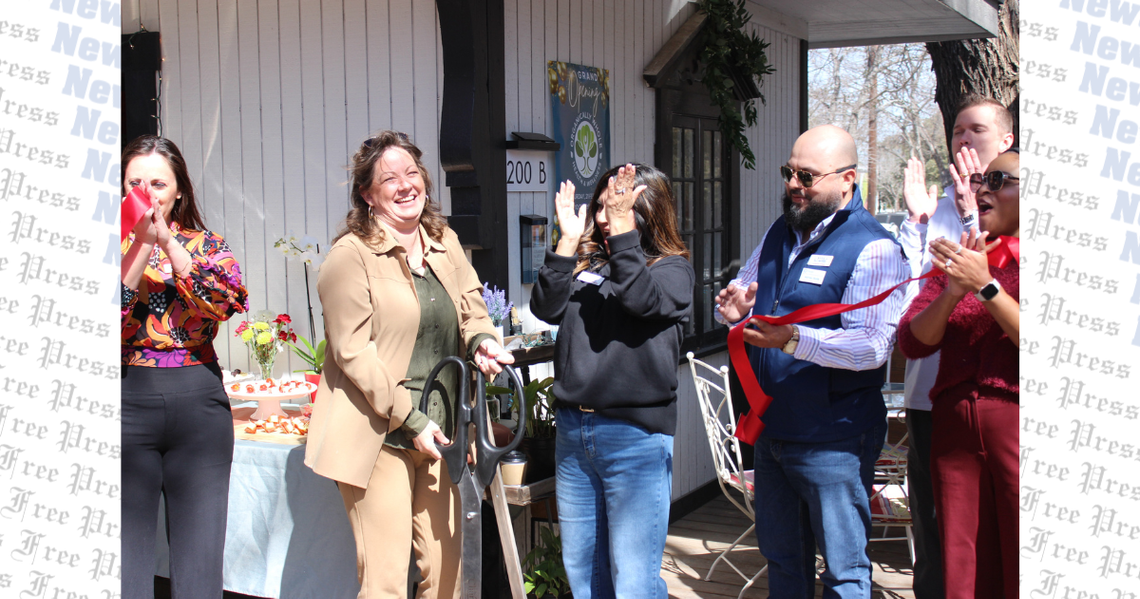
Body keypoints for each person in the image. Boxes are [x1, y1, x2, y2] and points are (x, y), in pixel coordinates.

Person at [304, 130, 514, 599]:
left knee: (446, 576)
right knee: (386, 584)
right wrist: (411, 418)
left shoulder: (443, 239)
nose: (405, 185)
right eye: (388, 178)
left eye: (411, 173)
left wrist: (481, 341)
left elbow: (471, 305)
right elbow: (354, 354)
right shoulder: (349, 257)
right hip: (378, 435)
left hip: (440, 433)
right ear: (367, 194)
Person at [715, 125, 909, 597]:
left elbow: (872, 348)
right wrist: (736, 309)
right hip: (774, 430)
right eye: (788, 172)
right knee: (783, 561)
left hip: (834, 438)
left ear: (847, 179)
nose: (794, 184)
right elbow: (746, 293)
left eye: (807, 175)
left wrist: (794, 339)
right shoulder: (780, 231)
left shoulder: (875, 247)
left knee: (843, 572)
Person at [530, 163, 694, 599]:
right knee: (585, 577)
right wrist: (566, 241)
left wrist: (623, 230)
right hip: (573, 434)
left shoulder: (672, 270)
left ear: (649, 210)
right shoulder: (588, 263)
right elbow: (545, 308)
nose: (603, 216)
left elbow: (639, 298)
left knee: (633, 582)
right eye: (601, 206)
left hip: (634, 438)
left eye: (617, 207)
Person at [120, 135, 250, 599]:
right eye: (136, 182)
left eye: (158, 183)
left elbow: (221, 302)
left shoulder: (206, 244)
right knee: (122, 564)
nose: (148, 192)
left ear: (178, 191)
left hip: (198, 404)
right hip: (125, 398)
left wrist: (169, 242)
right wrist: (138, 245)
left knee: (199, 567)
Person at [898, 95, 1014, 599]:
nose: (964, 139)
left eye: (998, 180)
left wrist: (985, 281)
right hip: (941, 411)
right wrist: (949, 283)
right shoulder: (951, 229)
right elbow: (909, 329)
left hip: (1011, 418)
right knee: (949, 546)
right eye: (957, 130)